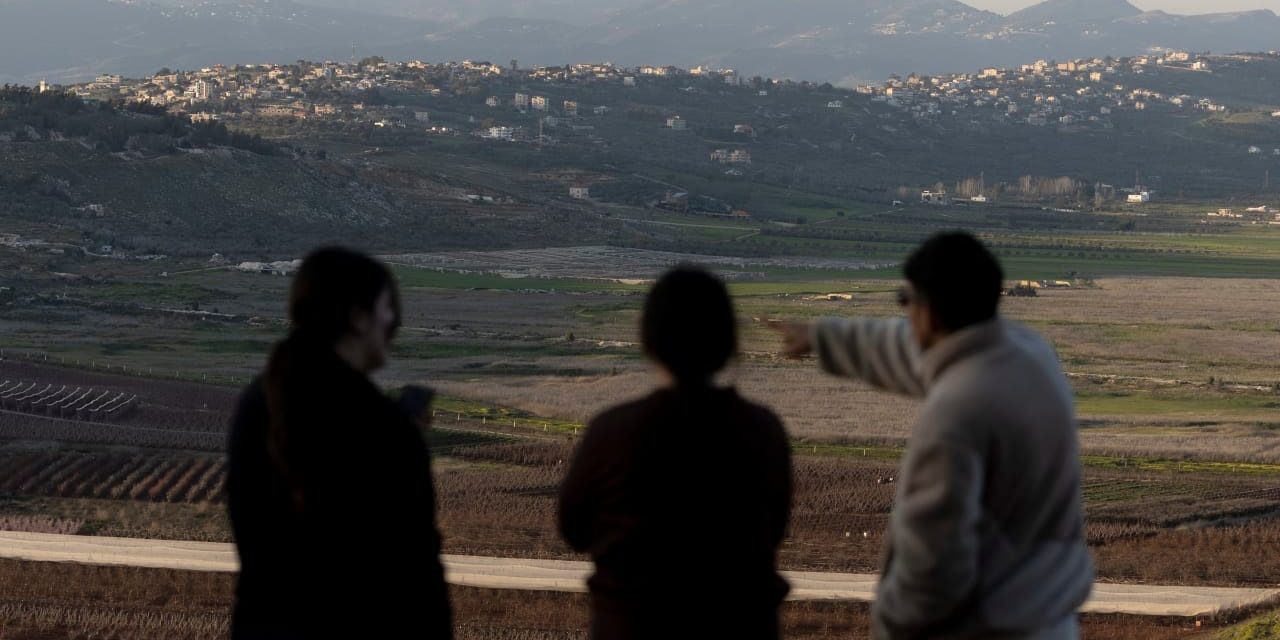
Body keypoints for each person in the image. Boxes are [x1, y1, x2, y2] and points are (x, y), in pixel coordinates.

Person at [772, 232, 1093, 640]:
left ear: (931, 313)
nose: (904, 315)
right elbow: (915, 354)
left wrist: (891, 626)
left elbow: (932, 563)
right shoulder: (1029, 354)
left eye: (906, 301)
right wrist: (823, 338)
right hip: (1047, 620)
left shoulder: (956, 415)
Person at [227, 247, 451, 639]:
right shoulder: (385, 429)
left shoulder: (256, 404)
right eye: (387, 307)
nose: (394, 321)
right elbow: (417, 580)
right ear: (358, 317)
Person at [558, 267, 792, 640]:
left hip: (631, 625)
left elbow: (573, 529)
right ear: (728, 342)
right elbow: (775, 528)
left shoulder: (612, 431)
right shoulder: (762, 430)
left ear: (648, 338)